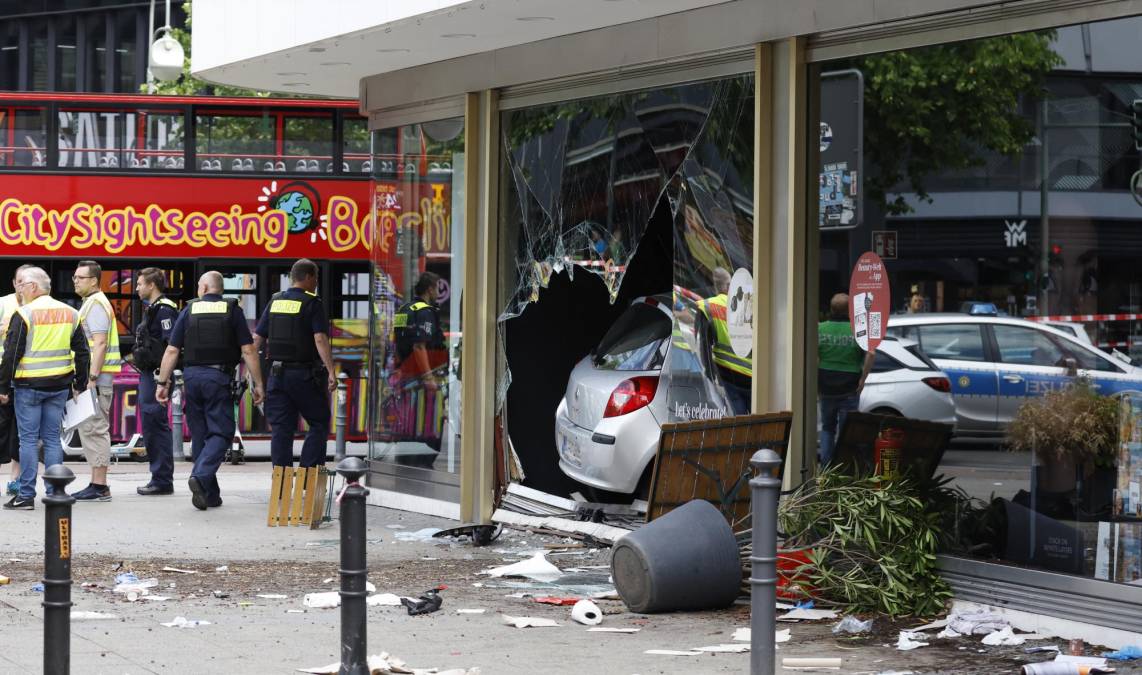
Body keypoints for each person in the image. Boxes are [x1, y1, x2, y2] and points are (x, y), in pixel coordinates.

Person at [155, 271, 264, 511]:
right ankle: (201, 476)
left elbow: (172, 351)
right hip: (218, 378)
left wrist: (162, 383)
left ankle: (210, 495)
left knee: (201, 435)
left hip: (192, 379)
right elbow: (248, 350)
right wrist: (258, 384)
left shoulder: (189, 310)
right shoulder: (232, 310)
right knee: (223, 433)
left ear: (204, 287)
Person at [0, 267, 90, 510]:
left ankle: (26, 496)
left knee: (27, 441)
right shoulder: (71, 313)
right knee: (51, 439)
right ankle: (55, 492)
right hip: (59, 385)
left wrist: (3, 387)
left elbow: (12, 354)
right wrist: (79, 383)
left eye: (22, 286)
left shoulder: (25, 314)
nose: (19, 290)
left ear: (34, 287)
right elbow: (82, 351)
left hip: (28, 386)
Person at [253, 259, 336, 469]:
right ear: (308, 277)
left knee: (281, 429)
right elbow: (320, 339)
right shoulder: (312, 303)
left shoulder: (275, 301)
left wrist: (255, 376)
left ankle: (281, 481)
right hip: (303, 375)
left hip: (276, 376)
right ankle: (308, 474)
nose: (316, 282)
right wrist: (331, 371)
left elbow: (257, 339)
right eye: (315, 277)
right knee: (319, 421)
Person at [71, 260, 123, 502]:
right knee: (90, 429)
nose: (75, 281)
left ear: (93, 280)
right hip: (96, 377)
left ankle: (100, 486)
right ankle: (96, 483)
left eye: (80, 277)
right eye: (75, 277)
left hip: (97, 379)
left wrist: (91, 377)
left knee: (95, 428)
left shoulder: (96, 305)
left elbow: (99, 343)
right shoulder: (91, 303)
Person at [132, 267, 180, 495]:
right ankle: (158, 477)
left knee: (156, 426)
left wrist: (163, 378)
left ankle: (162, 480)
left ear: (152, 285)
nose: (137, 287)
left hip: (156, 375)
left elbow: (171, 345)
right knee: (151, 426)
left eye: (140, 283)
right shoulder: (153, 309)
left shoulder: (164, 311)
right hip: (150, 374)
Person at [391, 271, 446, 467]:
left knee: (409, 421)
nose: (437, 293)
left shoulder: (404, 309)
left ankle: (407, 460)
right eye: (436, 288)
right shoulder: (425, 312)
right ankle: (423, 462)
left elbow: (397, 343)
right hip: (422, 380)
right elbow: (420, 346)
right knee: (428, 423)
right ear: (430, 289)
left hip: (406, 377)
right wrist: (429, 377)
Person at [817, 292, 877, 465]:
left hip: (826, 384)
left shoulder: (820, 329)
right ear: (849, 310)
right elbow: (871, 354)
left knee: (827, 428)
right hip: (850, 386)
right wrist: (862, 379)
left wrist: (816, 381)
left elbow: (814, 357)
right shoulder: (857, 329)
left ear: (831, 309)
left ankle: (827, 469)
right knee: (847, 431)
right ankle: (844, 468)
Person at [695, 267, 753, 416]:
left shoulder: (708, 307)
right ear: (729, 286)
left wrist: (710, 380)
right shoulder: (748, 306)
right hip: (752, 377)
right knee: (755, 426)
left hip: (728, 377)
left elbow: (704, 349)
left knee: (737, 425)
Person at [1, 264, 33, 496]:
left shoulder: (39, 306)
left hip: (26, 377)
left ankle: (16, 477)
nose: (22, 285)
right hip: (3, 372)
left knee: (19, 430)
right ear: (13, 283)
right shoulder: (4, 303)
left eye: (26, 281)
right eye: (19, 281)